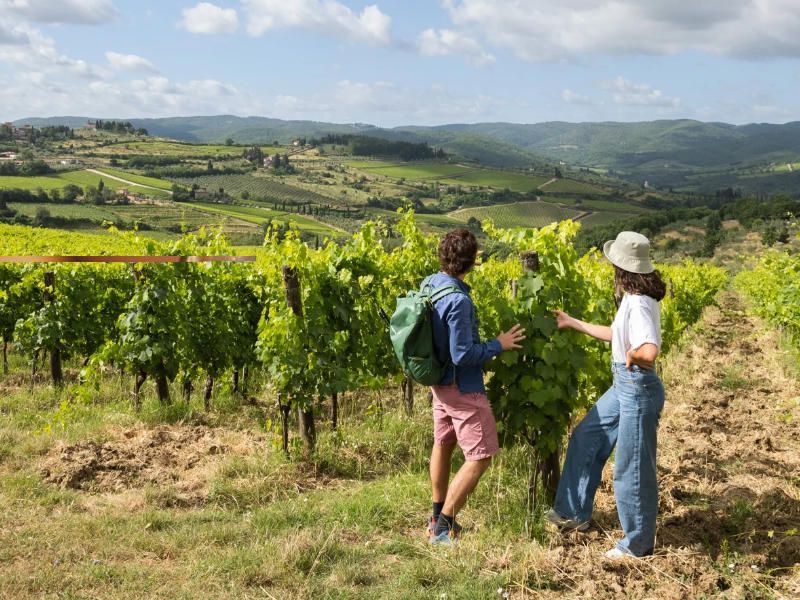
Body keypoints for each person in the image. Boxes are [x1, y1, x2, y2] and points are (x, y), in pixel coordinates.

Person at [547, 231, 667, 559]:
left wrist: (634, 355)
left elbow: (649, 350)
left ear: (621, 268)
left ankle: (637, 544)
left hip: (638, 387)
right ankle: (572, 514)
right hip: (624, 385)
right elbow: (616, 334)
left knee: (631, 468)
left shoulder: (639, 303)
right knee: (587, 436)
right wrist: (573, 322)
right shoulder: (633, 296)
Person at [425, 228, 526, 545]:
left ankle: (435, 516)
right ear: (472, 262)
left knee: (443, 443)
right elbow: (463, 354)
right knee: (481, 455)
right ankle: (443, 527)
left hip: (440, 384)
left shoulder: (431, 283)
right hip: (462, 387)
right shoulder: (458, 301)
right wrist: (498, 344)